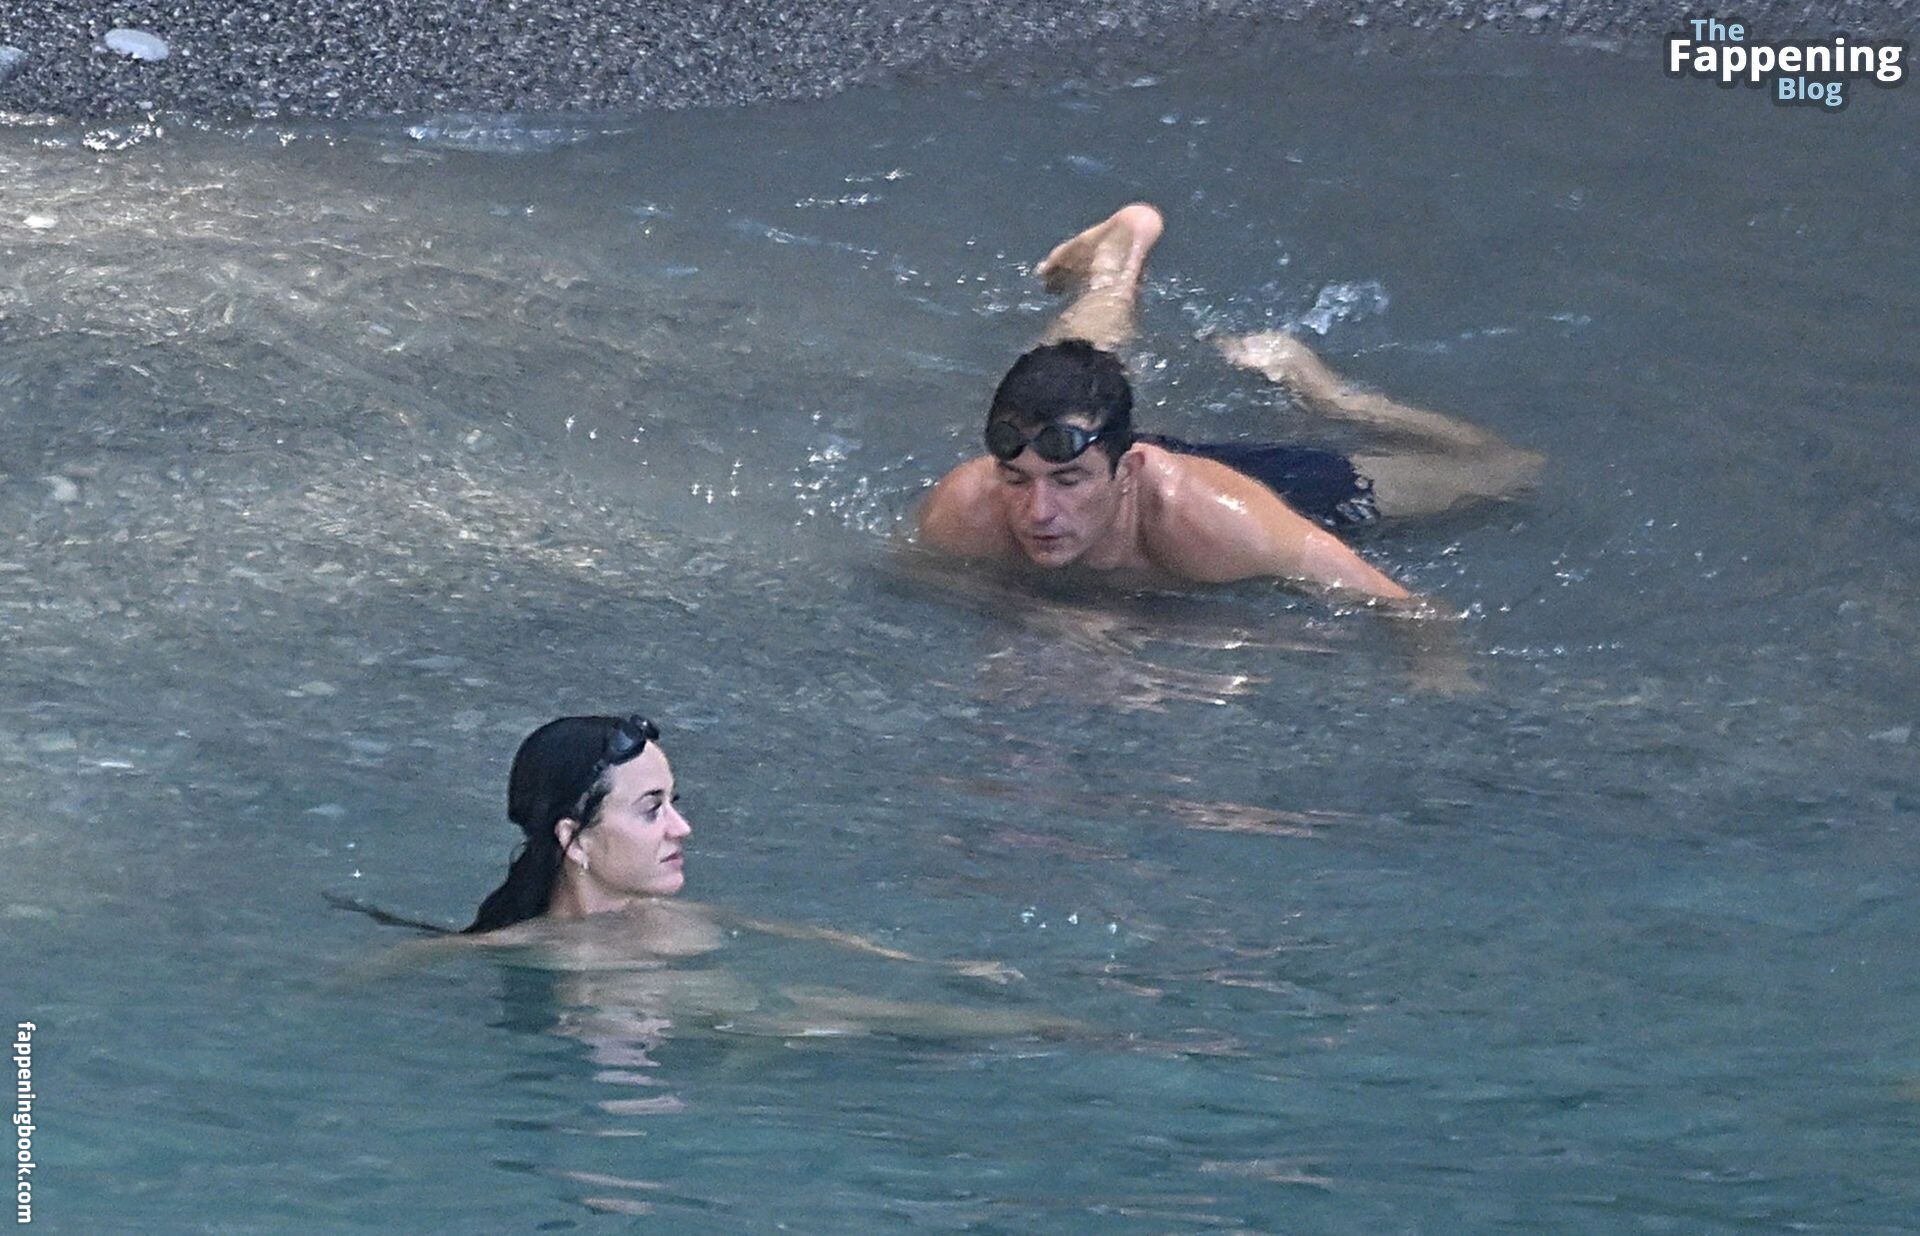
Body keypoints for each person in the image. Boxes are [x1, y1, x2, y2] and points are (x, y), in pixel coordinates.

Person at [917, 203, 1543, 603]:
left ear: (1128, 469)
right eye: (1016, 479)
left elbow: (1408, 610)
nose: (1038, 513)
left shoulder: (1214, 521)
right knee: (1069, 380)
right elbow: (922, 582)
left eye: (1067, 482)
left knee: (1505, 472)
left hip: (1244, 487)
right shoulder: (968, 508)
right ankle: (1114, 266)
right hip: (1104, 444)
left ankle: (1335, 396)